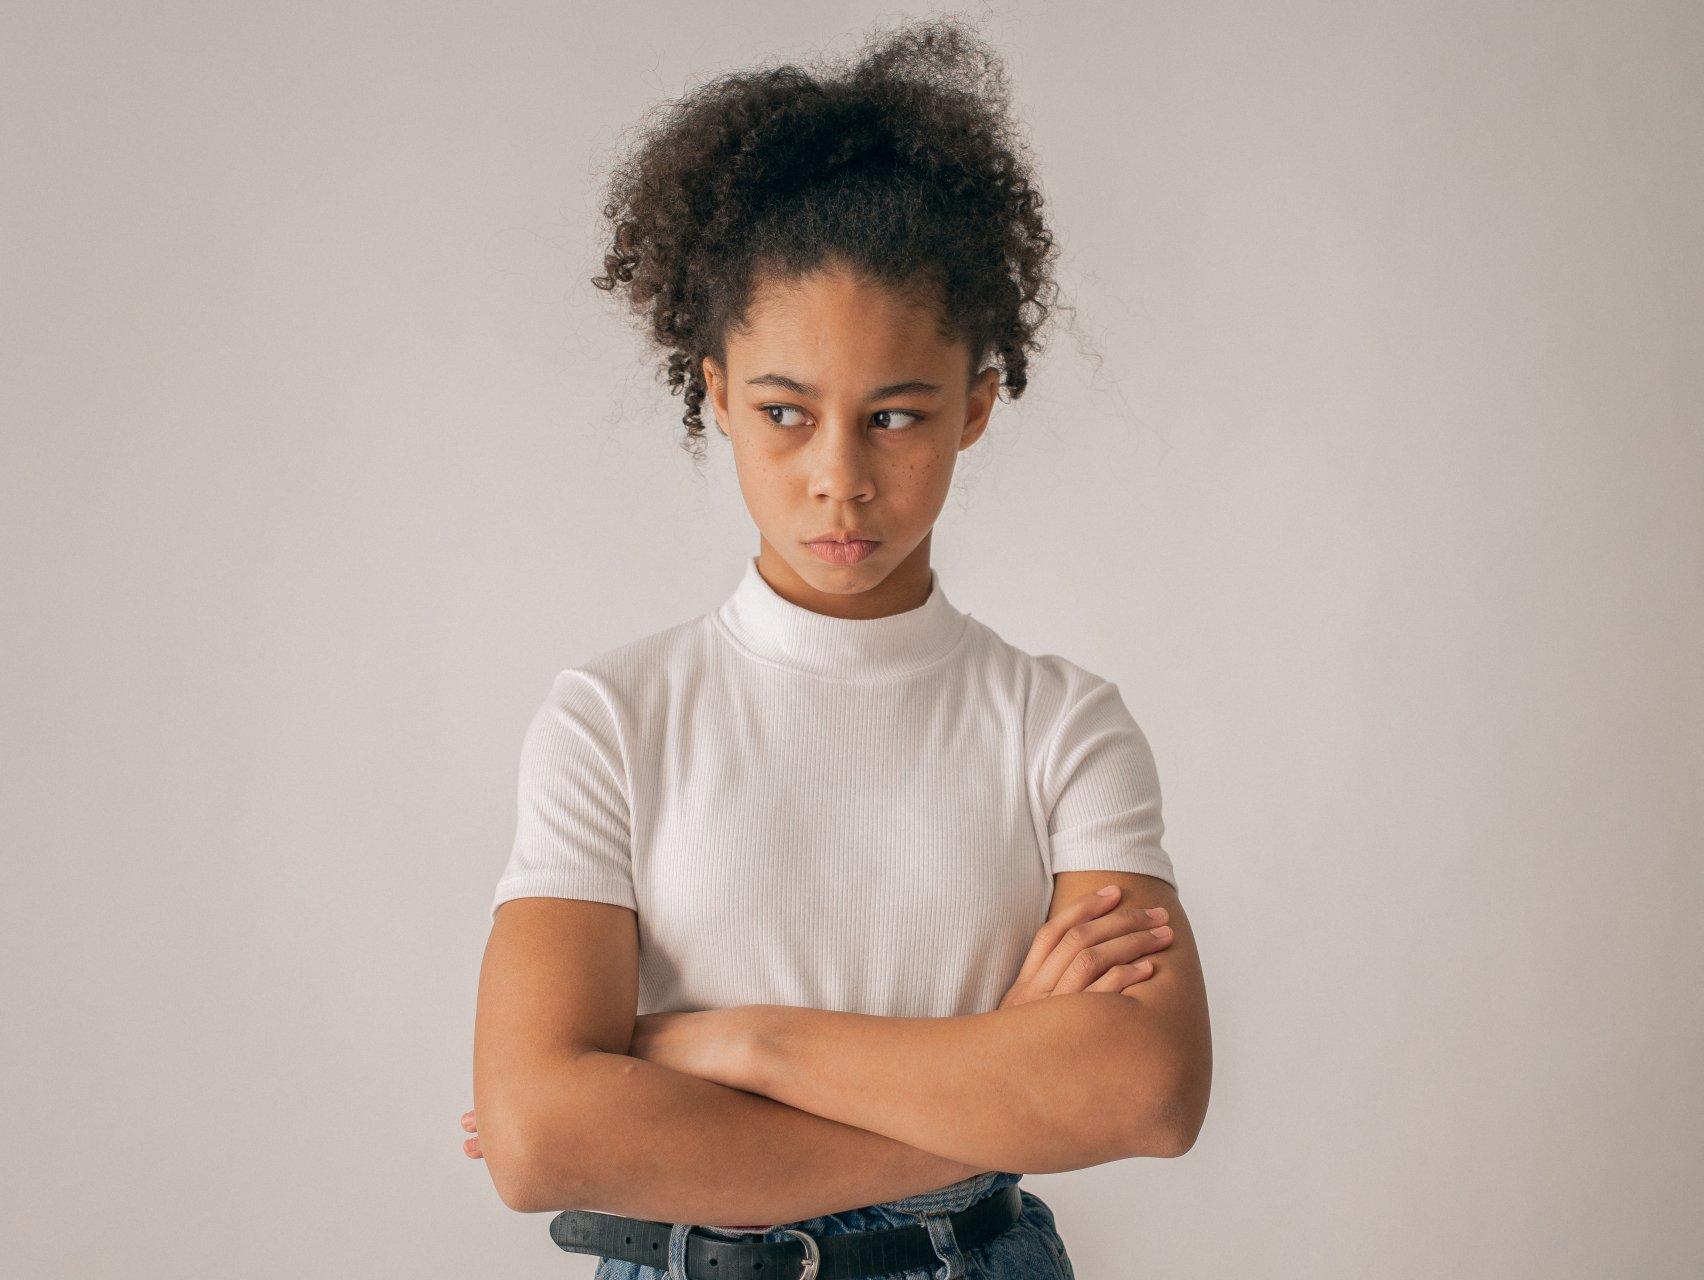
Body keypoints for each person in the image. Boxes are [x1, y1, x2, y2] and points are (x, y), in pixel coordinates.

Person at [464, 16, 1212, 1280]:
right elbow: (541, 1135)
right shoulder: (615, 716)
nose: (839, 479)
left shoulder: (1060, 724)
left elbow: (1145, 1089)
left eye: (897, 415)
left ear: (976, 402)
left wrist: (733, 1044)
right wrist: (986, 1087)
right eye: (784, 413)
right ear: (714, 393)